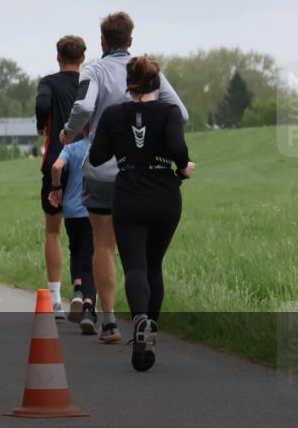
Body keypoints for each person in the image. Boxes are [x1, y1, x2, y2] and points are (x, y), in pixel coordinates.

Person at [60, 11, 188, 343]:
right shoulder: (147, 71)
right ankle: (146, 323)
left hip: (104, 173)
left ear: (102, 41)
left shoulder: (94, 70)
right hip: (148, 175)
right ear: (131, 41)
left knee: (104, 245)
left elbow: (84, 107)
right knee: (147, 260)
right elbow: (182, 112)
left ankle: (110, 321)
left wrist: (69, 134)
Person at [88, 55, 194, 371]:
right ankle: (150, 331)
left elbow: (97, 157)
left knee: (135, 265)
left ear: (128, 84)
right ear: (156, 83)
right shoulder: (170, 111)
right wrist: (184, 167)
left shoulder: (113, 114)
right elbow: (177, 148)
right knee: (154, 265)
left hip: (128, 196)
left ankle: (139, 321)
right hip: (164, 196)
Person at [34, 35, 86, 319]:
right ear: (83, 58)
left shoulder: (49, 83)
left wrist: (43, 124)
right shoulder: (89, 82)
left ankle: (55, 301)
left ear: (58, 57)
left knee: (53, 231)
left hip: (56, 159)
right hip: (87, 164)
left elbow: (43, 106)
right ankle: (86, 295)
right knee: (87, 232)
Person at [48, 127, 96, 333]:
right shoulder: (103, 148)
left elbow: (56, 167)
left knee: (75, 250)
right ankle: (88, 307)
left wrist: (56, 188)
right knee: (91, 258)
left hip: (71, 210)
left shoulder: (72, 147)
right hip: (94, 210)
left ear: (81, 129)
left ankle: (77, 289)